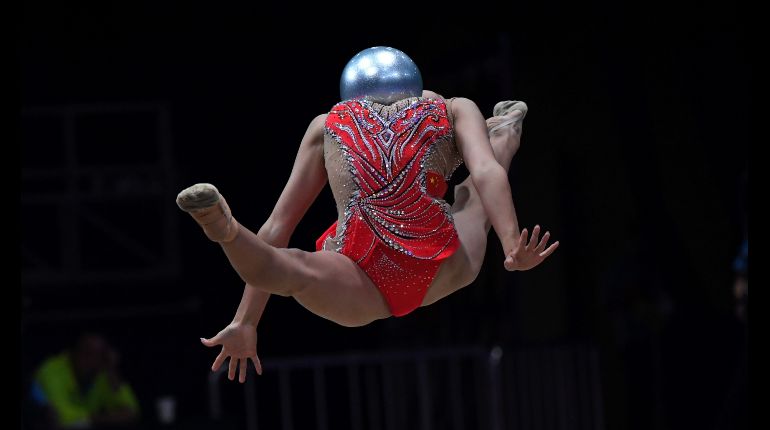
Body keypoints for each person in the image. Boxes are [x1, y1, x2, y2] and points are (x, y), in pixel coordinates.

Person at [176, 47, 559, 382]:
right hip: (426, 265)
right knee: (474, 199)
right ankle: (506, 131)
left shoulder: (332, 125)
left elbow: (278, 226)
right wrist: (510, 243)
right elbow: (486, 172)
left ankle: (228, 231)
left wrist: (246, 322)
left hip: (377, 274)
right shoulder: (451, 108)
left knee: (293, 269)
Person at [30, 333, 140, 430]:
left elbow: (131, 411)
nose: (92, 361)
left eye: (99, 355)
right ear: (73, 352)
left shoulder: (102, 374)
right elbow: (62, 420)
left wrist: (112, 371)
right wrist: (98, 419)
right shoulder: (51, 371)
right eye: (87, 353)